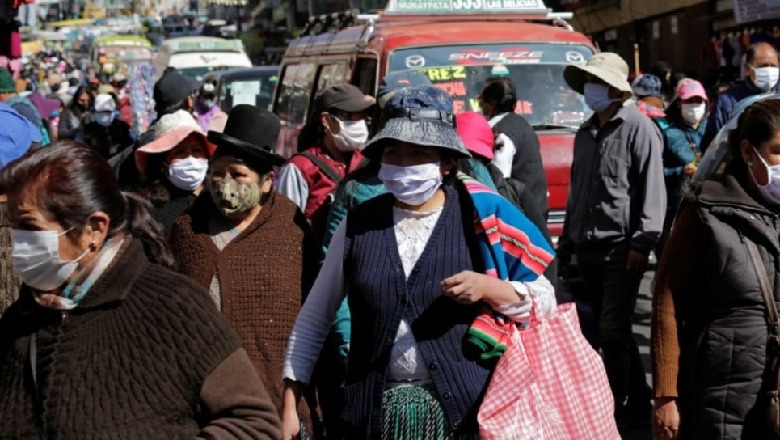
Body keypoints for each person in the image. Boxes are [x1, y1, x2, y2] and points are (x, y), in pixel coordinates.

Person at [281, 85, 556, 439]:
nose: (402, 164)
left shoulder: (482, 216)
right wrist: (290, 403)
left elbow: (545, 302)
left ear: (447, 164)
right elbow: (315, 317)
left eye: (417, 153)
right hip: (371, 418)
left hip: (468, 417)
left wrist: (493, 288)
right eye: (392, 152)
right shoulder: (358, 223)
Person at [0, 142, 281, 438]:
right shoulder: (22, 317)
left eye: (30, 227)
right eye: (14, 226)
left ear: (94, 230)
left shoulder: (174, 306)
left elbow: (254, 424)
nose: (17, 241)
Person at [169, 105, 321, 434]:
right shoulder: (187, 230)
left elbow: (306, 328)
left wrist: (291, 405)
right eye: (218, 173)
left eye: (238, 175)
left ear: (267, 182)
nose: (225, 184)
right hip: (203, 407)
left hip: (277, 403)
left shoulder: (290, 231)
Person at [651, 98, 780, 439]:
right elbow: (667, 298)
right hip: (721, 398)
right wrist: (666, 395)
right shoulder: (706, 212)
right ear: (749, 152)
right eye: (779, 150)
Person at [558, 52, 666, 432]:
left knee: (611, 331)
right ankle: (636, 398)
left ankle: (615, 408)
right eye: (588, 81)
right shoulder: (585, 133)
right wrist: (566, 244)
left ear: (614, 89)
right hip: (585, 247)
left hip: (621, 247)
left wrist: (642, 243)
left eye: (597, 82)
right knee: (612, 332)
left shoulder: (638, 128)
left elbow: (653, 190)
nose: (590, 89)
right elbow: (576, 194)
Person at [277, 84, 375, 243]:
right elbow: (285, 227)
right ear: (326, 120)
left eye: (362, 116)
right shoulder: (301, 167)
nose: (359, 123)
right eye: (350, 116)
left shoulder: (367, 162)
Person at [135, 110, 216, 237]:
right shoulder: (152, 210)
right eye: (179, 152)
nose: (190, 159)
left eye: (197, 150)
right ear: (162, 162)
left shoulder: (215, 197)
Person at [479, 76, 549, 220]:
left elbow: (499, 182)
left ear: (491, 104)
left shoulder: (503, 134)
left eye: (481, 101)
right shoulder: (521, 124)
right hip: (533, 211)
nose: (480, 106)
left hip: (520, 216)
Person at [657, 79, 708, 257]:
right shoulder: (669, 135)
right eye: (689, 101)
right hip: (676, 209)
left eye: (698, 101)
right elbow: (656, 172)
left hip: (708, 206)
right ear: (679, 104)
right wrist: (680, 172)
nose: (694, 106)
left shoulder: (712, 131)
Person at [700, 42, 779, 151]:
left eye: (773, 66)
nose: (769, 71)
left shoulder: (777, 97)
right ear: (747, 69)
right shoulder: (727, 101)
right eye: (763, 66)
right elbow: (712, 145)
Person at [82, 93, 136, 175]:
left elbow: (131, 146)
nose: (105, 115)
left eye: (108, 112)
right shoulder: (88, 129)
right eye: (101, 112)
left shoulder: (123, 127)